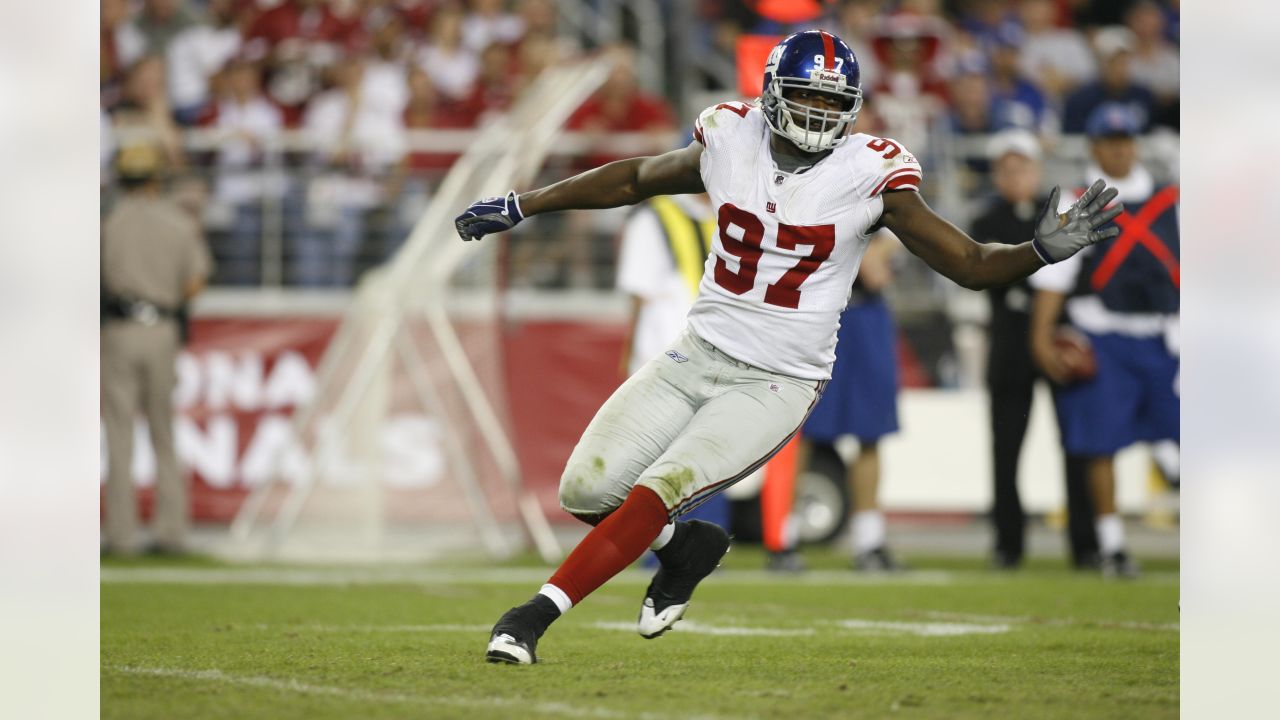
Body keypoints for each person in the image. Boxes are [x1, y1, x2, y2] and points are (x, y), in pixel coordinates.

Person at [455, 30, 1122, 665]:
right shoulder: (729, 134)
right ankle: (685, 552)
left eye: (834, 102)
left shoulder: (870, 173)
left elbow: (973, 265)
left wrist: (1038, 251)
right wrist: (526, 204)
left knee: (654, 492)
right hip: (697, 351)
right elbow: (636, 178)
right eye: (807, 96)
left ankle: (532, 618)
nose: (819, 111)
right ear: (774, 92)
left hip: (775, 380)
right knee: (587, 489)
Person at [1029, 103, 1178, 579]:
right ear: (1094, 146)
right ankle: (1111, 545)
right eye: (1110, 141)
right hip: (1102, 334)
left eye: (1126, 139)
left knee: (1182, 441)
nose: (1119, 148)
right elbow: (1055, 278)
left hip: (1162, 336)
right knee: (1102, 445)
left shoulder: (1170, 201)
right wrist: (1041, 338)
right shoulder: (1080, 200)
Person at [970, 129, 1098, 570]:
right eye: (1007, 168)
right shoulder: (985, 221)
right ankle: (1008, 544)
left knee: (1078, 445)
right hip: (1009, 345)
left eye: (1022, 166)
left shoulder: (1056, 212)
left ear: (1036, 169)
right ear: (996, 174)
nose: (1015, 175)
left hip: (1056, 339)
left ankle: (1086, 544)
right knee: (1006, 451)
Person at [101, 144, 212, 555]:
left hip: (119, 329)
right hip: (163, 328)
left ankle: (120, 535)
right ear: (155, 178)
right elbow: (195, 281)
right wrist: (165, 294)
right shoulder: (178, 223)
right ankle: (171, 531)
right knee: (164, 433)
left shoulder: (108, 223)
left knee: (119, 434)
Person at [794, 231, 906, 572]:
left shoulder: (871, 189)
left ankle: (868, 541)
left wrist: (881, 248)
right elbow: (872, 266)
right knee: (798, 430)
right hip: (821, 315)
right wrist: (876, 251)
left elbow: (885, 250)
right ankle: (782, 536)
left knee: (869, 432)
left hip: (865, 315)